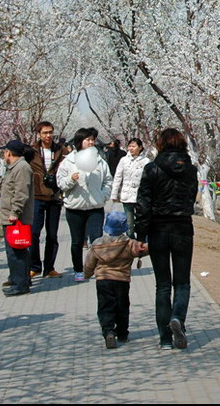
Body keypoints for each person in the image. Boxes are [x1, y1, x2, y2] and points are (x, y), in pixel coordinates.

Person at [135, 128, 197, 350]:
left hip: (158, 228)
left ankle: (164, 339)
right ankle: (178, 318)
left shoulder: (151, 169)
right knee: (182, 282)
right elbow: (191, 196)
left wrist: (140, 235)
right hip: (183, 228)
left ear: (160, 144)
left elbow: (143, 204)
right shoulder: (191, 170)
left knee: (163, 285)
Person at [57, 127, 112, 282]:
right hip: (75, 207)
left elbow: (108, 180)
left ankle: (97, 268)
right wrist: (70, 180)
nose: (91, 142)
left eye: (93, 139)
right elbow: (60, 183)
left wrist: (103, 195)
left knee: (97, 239)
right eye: (88, 139)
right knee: (77, 241)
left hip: (95, 207)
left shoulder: (100, 161)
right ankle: (78, 269)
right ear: (79, 142)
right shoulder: (68, 161)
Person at [84, 211, 143, 349]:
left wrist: (87, 274)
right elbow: (143, 249)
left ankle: (108, 331)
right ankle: (122, 334)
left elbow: (89, 263)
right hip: (122, 280)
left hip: (103, 280)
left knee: (105, 307)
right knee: (122, 307)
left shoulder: (97, 244)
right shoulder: (129, 243)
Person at [0, 139, 35, 296]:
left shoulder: (22, 168)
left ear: (9, 152)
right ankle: (21, 280)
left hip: (16, 218)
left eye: (4, 151)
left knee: (16, 252)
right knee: (16, 251)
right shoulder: (14, 168)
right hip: (10, 216)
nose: (3, 154)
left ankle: (20, 284)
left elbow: (21, 193)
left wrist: (14, 212)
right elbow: (6, 187)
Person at [28, 121, 68, 279]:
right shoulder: (31, 152)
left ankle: (49, 267)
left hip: (54, 197)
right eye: (45, 132)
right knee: (34, 233)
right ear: (39, 134)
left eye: (50, 132)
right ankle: (34, 266)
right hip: (36, 196)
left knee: (52, 234)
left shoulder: (60, 150)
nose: (48, 135)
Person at [111, 138, 150, 238]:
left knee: (141, 222)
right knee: (129, 223)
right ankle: (131, 242)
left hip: (141, 196)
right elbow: (118, 177)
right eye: (130, 146)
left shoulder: (146, 161)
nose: (131, 148)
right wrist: (114, 194)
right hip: (127, 195)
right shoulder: (124, 160)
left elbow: (149, 179)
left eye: (134, 146)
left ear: (140, 147)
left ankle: (141, 241)